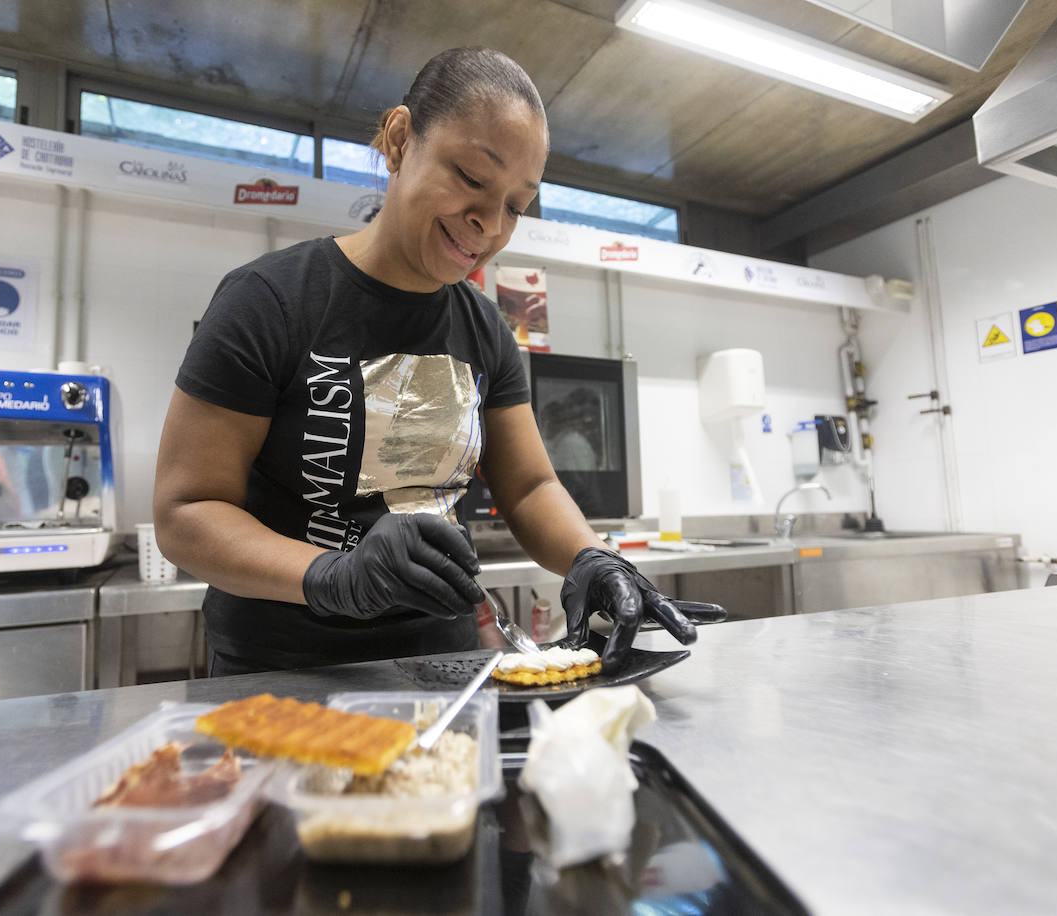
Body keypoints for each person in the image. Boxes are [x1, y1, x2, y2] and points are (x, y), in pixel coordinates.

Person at [154, 47, 722, 676]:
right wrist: (331, 576)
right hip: (283, 670)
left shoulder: (486, 330)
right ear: (400, 141)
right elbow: (186, 513)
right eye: (473, 178)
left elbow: (530, 487)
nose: (489, 223)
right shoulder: (270, 302)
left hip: (443, 667)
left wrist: (593, 557)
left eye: (515, 204)